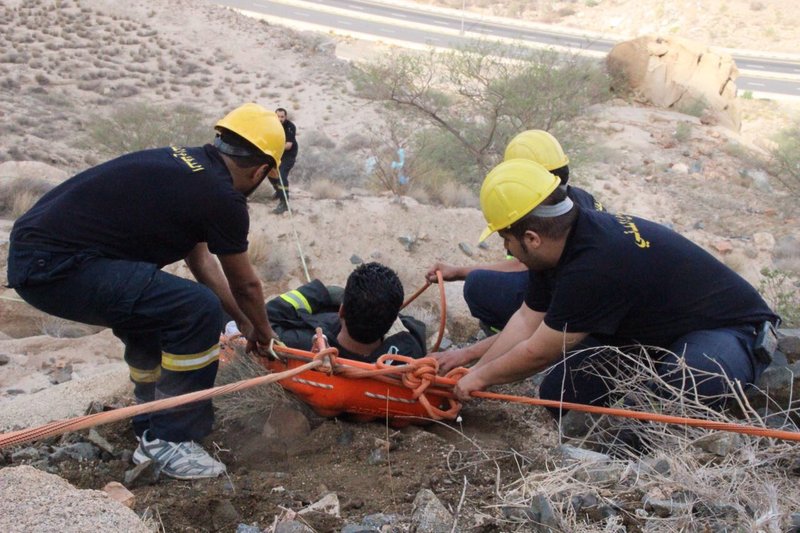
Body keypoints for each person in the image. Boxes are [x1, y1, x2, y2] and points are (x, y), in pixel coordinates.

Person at [6, 103, 286, 480]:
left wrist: (241, 322)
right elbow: (246, 283)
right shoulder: (223, 197)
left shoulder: (187, 166)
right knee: (197, 309)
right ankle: (171, 440)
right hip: (56, 267)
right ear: (261, 170)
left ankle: (150, 415)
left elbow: (200, 261)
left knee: (156, 309)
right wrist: (264, 335)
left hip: (36, 255)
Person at [440, 158, 779, 424]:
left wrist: (481, 378)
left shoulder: (595, 263)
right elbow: (528, 320)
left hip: (728, 330)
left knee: (680, 389)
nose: (508, 250)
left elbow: (539, 352)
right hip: (648, 336)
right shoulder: (560, 244)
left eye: (507, 240)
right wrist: (472, 370)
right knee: (560, 394)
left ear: (532, 238)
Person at [426, 130, 604, 333]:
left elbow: (521, 266)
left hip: (571, 309)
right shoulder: (578, 199)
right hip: (590, 302)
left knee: (478, 285)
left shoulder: (536, 217)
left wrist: (460, 272)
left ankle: (506, 336)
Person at [226, 263, 426, 362]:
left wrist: (323, 292)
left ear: (342, 310)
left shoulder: (301, 343)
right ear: (390, 323)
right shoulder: (408, 350)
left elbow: (267, 318)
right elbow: (413, 325)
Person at [271, 107, 298, 215]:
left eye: (282, 117)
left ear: (285, 117)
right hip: (277, 154)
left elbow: (288, 146)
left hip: (289, 155)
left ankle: (284, 203)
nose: (280, 119)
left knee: (282, 175)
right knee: (269, 172)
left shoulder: (290, 127)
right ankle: (278, 192)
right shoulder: (272, 126)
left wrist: (275, 146)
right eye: (278, 116)